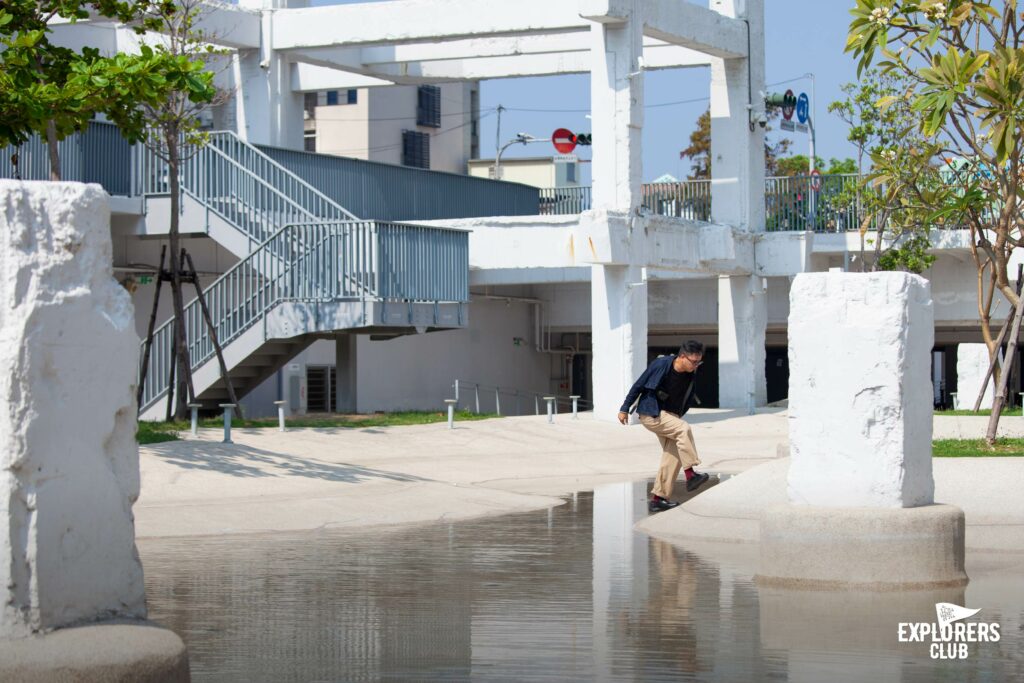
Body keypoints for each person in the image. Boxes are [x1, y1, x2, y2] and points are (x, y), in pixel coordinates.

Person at [617, 341, 710, 512]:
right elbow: (638, 385)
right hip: (651, 413)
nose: (696, 365)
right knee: (684, 428)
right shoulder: (661, 365)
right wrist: (624, 408)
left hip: (670, 416)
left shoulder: (690, 374)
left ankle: (658, 499)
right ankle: (691, 474)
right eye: (693, 362)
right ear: (682, 357)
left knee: (673, 456)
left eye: (699, 362)